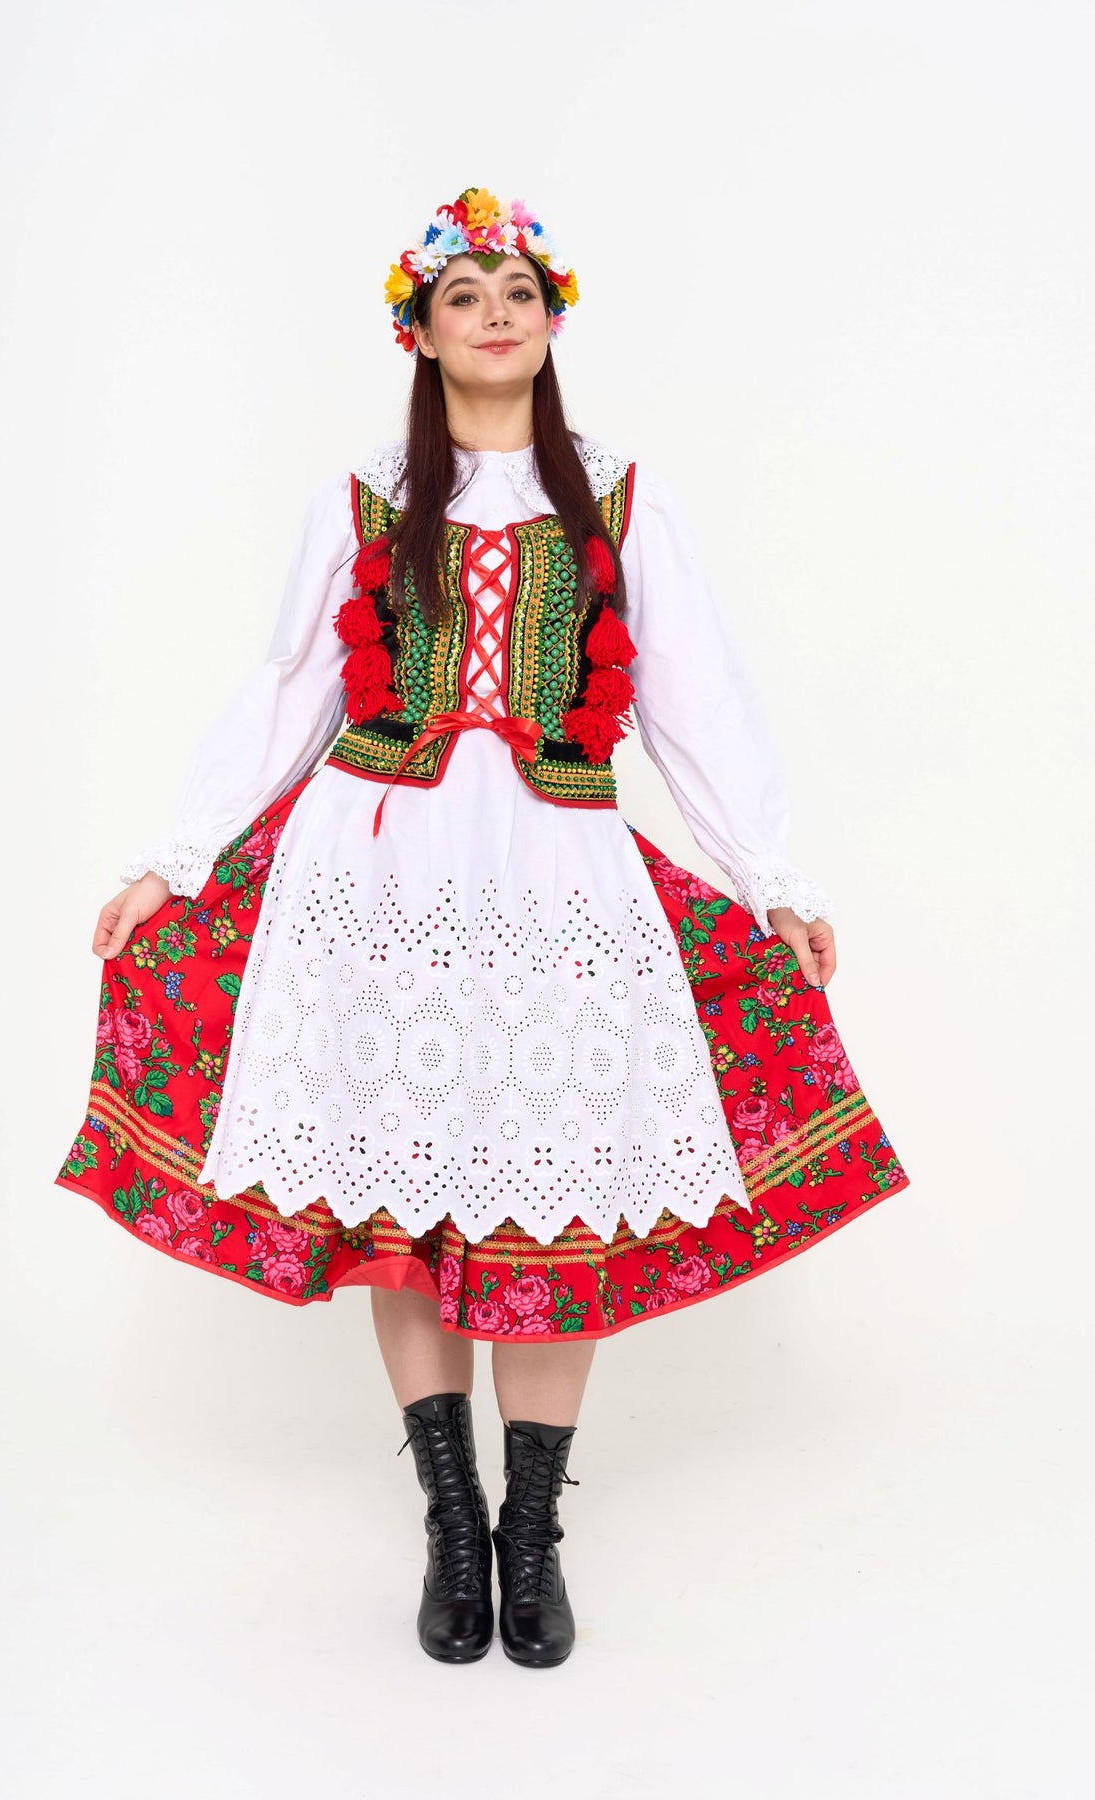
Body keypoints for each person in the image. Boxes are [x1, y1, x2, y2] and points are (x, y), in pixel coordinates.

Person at [56, 186, 910, 1669]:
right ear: (422, 329)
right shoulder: (373, 495)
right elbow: (286, 688)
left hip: (556, 865)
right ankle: (451, 1524)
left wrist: (770, 876)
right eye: (464, 295)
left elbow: (697, 696)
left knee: (555, 1180)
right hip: (375, 868)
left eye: (516, 288)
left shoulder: (625, 494)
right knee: (408, 1197)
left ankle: (532, 1535)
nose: (495, 311)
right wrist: (173, 858)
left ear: (551, 314)